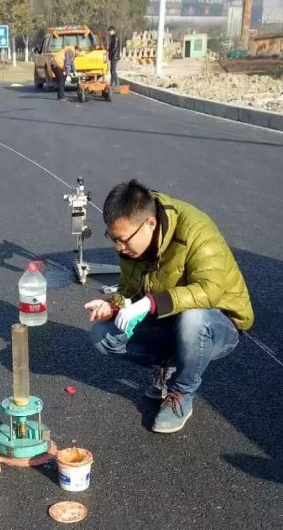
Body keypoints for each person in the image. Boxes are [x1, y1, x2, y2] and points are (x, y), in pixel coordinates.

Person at [86, 180, 253, 434]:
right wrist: (113, 308)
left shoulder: (196, 229)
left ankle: (181, 393)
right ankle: (170, 366)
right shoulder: (132, 244)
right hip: (170, 319)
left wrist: (150, 302)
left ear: (150, 224)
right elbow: (129, 291)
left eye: (123, 240)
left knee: (193, 320)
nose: (119, 247)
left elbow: (210, 291)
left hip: (218, 323)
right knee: (102, 335)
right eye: (113, 239)